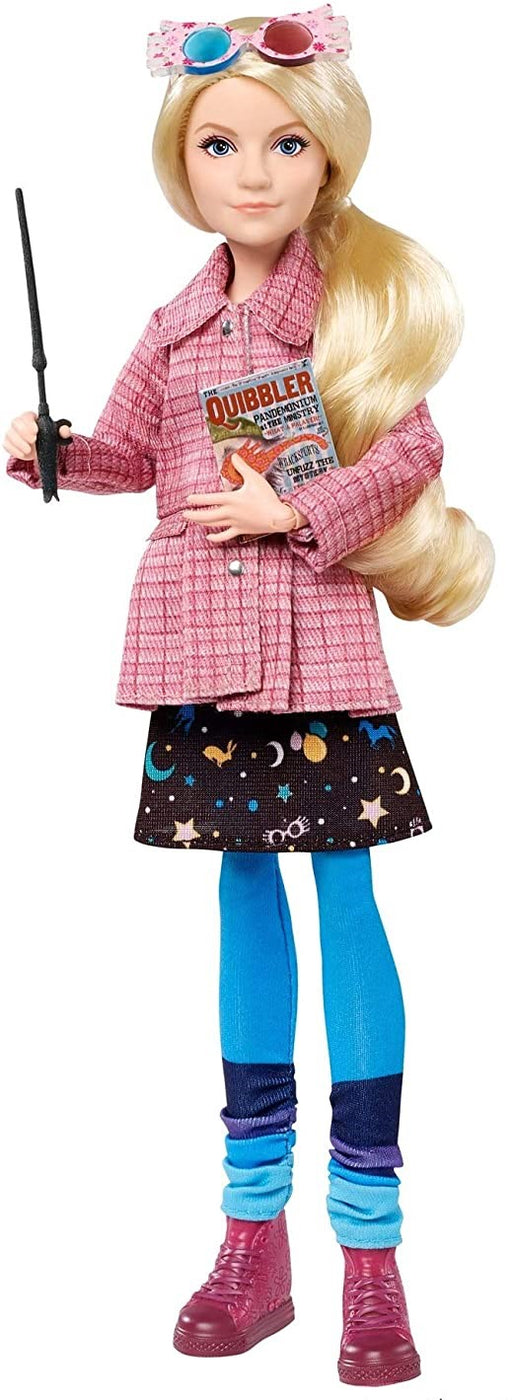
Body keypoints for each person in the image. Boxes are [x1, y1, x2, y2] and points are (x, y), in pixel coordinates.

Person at [3, 7, 494, 1386]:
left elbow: (414, 446)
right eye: (221, 146)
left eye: (284, 144)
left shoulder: (348, 308)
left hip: (317, 645)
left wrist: (300, 511)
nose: (255, 172)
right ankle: (252, 1237)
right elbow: (127, 456)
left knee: (349, 900)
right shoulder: (176, 326)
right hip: (202, 654)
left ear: (329, 155)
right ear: (183, 160)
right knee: (240, 898)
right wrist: (50, 450)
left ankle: (373, 1254)